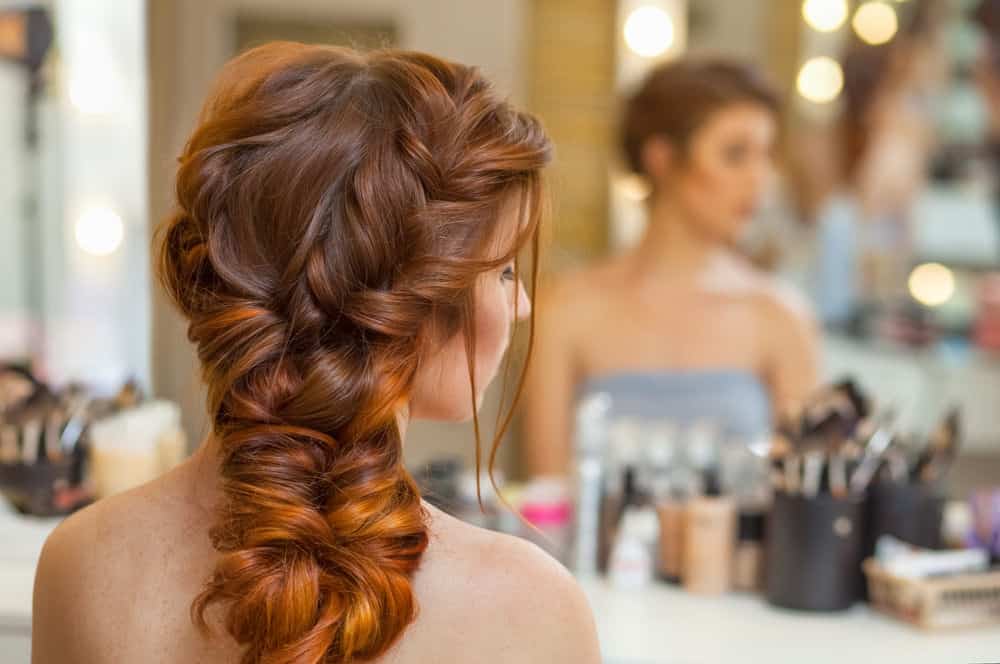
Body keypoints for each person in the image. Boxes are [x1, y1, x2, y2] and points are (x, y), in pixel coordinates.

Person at [31, 43, 600, 664]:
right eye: (505, 272)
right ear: (403, 296)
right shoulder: (528, 607)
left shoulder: (80, 560)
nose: (519, 307)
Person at [523, 58, 820, 478]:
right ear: (661, 158)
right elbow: (548, 495)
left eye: (766, 155)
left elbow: (800, 498)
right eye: (735, 155)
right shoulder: (568, 309)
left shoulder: (780, 315)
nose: (760, 180)